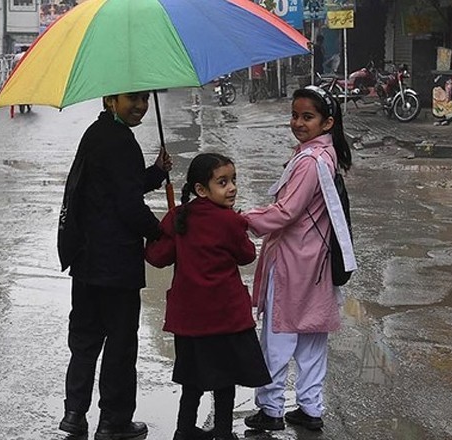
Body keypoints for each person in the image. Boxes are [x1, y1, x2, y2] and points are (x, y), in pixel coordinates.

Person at [56, 91, 172, 440]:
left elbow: (119, 186)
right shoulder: (121, 141)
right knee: (120, 345)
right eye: (132, 99)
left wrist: (155, 172)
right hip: (116, 263)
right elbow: (128, 206)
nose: (140, 106)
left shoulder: (97, 133)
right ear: (110, 100)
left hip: (86, 260)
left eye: (143, 99)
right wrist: (160, 232)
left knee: (85, 341)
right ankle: (114, 423)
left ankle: (74, 414)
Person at [242, 85, 353, 432]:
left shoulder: (309, 161)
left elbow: (286, 211)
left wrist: (243, 219)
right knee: (311, 339)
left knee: (278, 336)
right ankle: (310, 407)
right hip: (317, 263)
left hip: (293, 262)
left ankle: (271, 409)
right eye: (295, 115)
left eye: (307, 117)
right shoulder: (327, 155)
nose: (298, 123)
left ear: (327, 122)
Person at [145, 153, 271, 440]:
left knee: (192, 377)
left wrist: (166, 230)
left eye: (233, 180)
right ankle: (224, 432)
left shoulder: (180, 217)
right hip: (224, 317)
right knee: (224, 378)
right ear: (202, 189)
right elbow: (246, 255)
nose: (232, 188)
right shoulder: (229, 221)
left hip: (189, 319)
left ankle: (185, 430)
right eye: (223, 182)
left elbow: (157, 257)